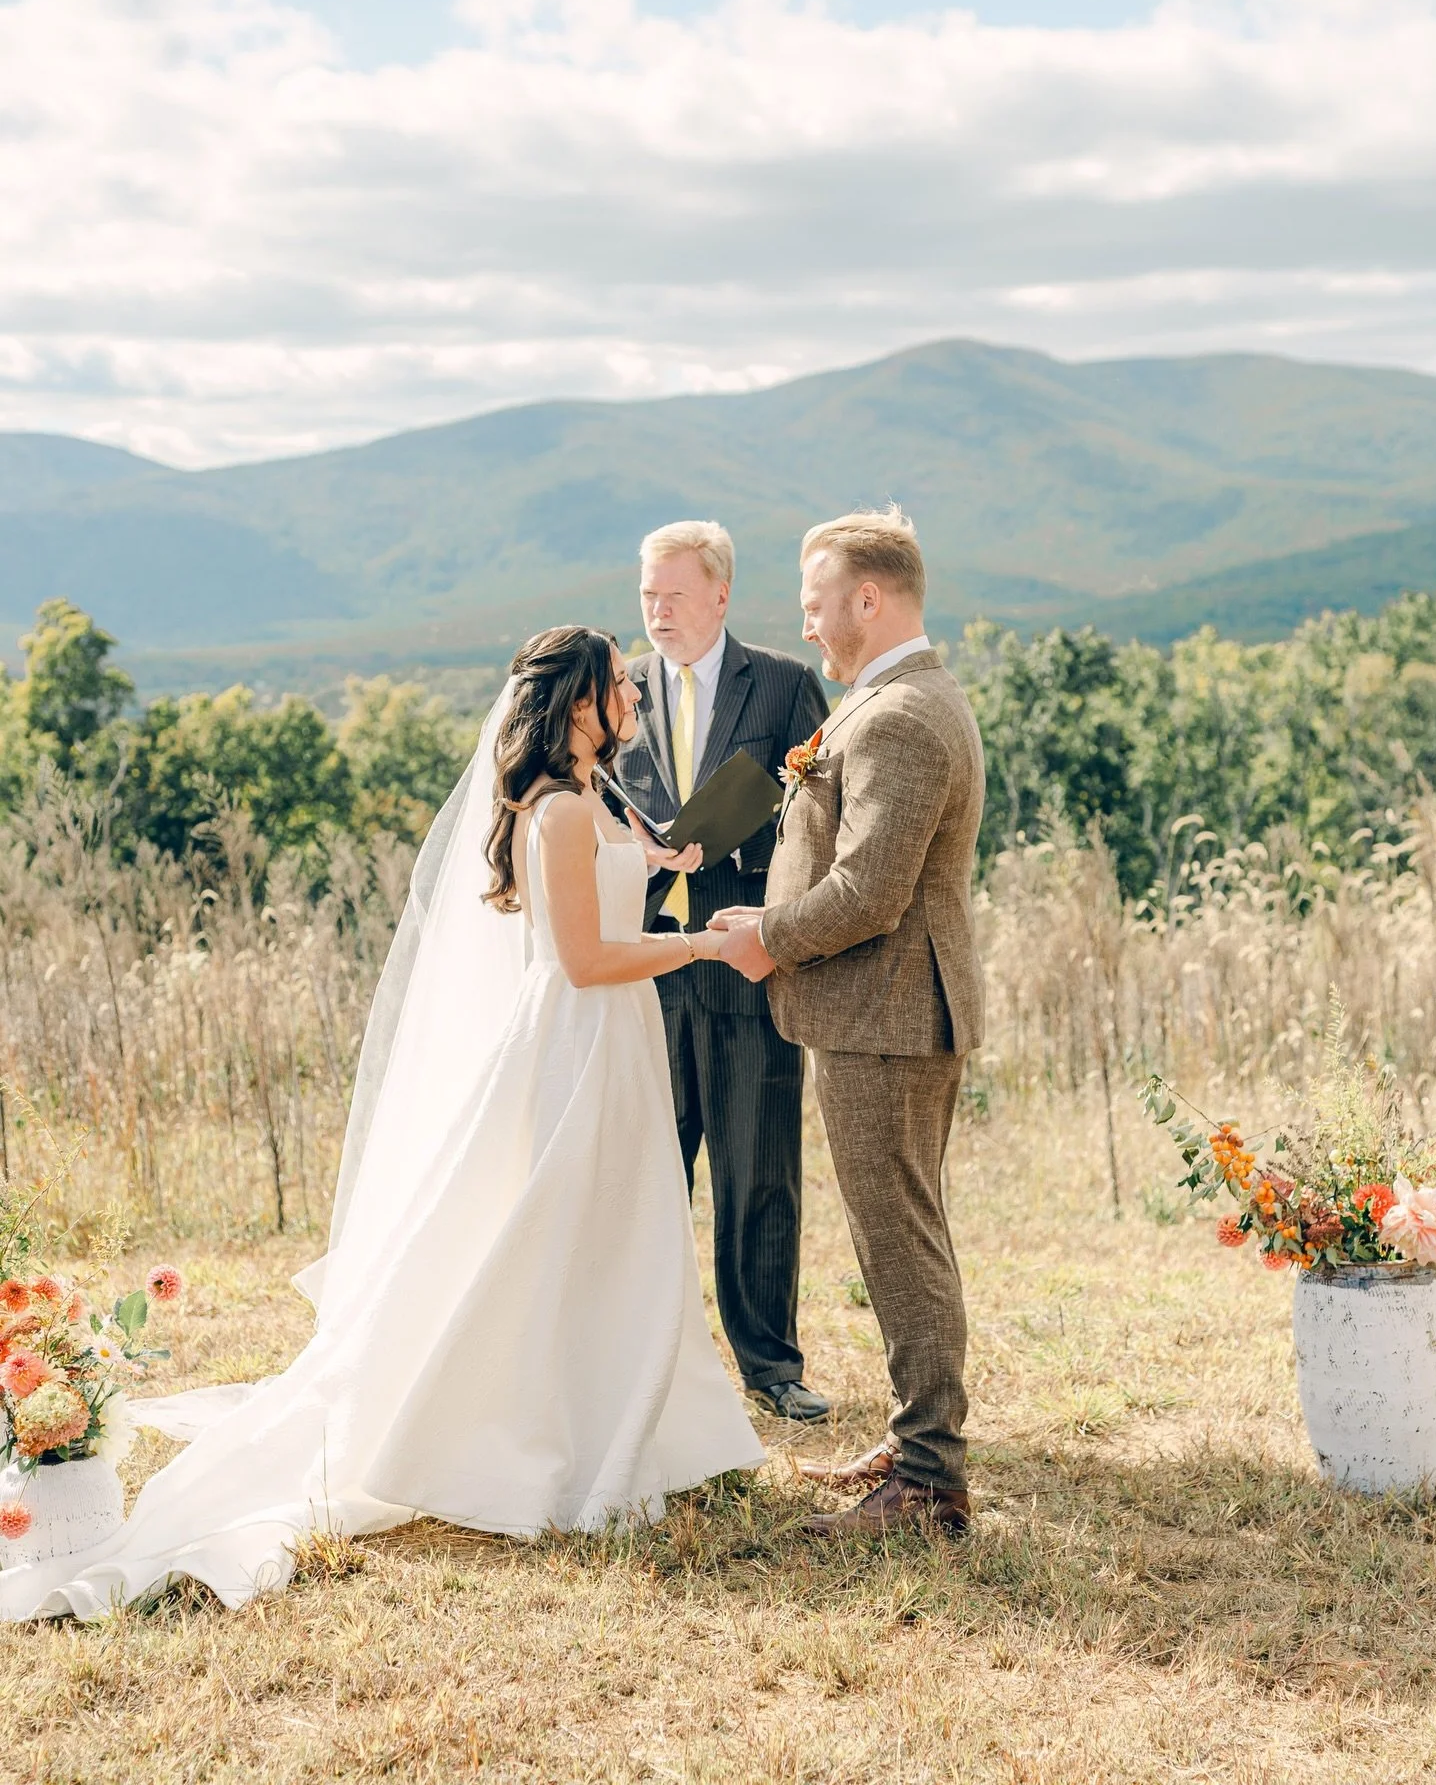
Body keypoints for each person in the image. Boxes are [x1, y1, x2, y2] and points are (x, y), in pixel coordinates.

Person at [0, 627, 763, 1620]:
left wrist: (661, 857)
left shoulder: (599, 798)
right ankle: (535, 1434)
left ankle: (637, 1420)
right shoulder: (564, 808)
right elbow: (582, 960)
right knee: (565, 1235)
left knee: (612, 1234)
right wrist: (703, 942)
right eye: (618, 682)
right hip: (578, 1044)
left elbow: (610, 896)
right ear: (580, 701)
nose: (632, 693)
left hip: (609, 1045)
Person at [712, 508, 985, 1536]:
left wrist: (769, 938)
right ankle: (919, 1439)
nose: (809, 620)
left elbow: (871, 889)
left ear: (868, 600)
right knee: (903, 1231)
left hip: (888, 1012)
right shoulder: (900, 697)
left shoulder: (902, 716)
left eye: (817, 600)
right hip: (891, 1007)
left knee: (899, 1237)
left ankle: (926, 1481)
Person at [612, 521, 832, 1423]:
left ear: (721, 595)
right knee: (645, 1173)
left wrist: (751, 857)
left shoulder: (783, 685)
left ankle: (770, 1366)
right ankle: (638, 1362)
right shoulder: (617, 691)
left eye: (674, 595)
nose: (658, 612)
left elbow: (828, 817)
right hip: (642, 969)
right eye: (646, 597)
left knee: (760, 1171)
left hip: (748, 960)